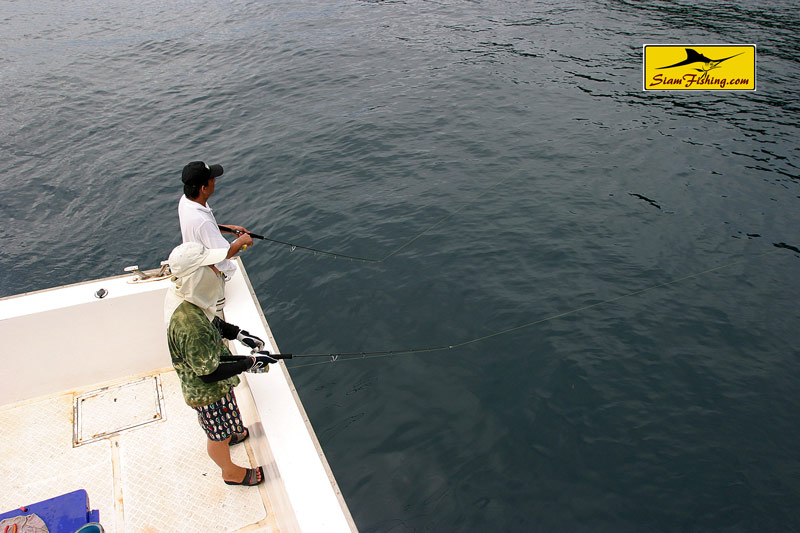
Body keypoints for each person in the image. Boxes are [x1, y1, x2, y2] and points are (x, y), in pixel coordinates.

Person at [165, 242, 276, 486]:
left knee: (226, 417)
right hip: (206, 391)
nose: (217, 271)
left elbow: (209, 321)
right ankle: (229, 471)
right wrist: (251, 362)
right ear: (196, 275)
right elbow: (209, 374)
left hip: (210, 368)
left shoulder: (186, 297)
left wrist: (236, 333)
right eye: (211, 267)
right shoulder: (189, 326)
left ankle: (232, 432)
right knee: (216, 434)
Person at [178, 161, 253, 282]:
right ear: (204, 188)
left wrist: (230, 228)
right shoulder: (201, 220)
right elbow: (225, 254)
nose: (215, 181)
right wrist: (242, 240)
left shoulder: (186, 201)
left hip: (196, 264)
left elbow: (203, 230)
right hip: (211, 275)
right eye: (212, 179)